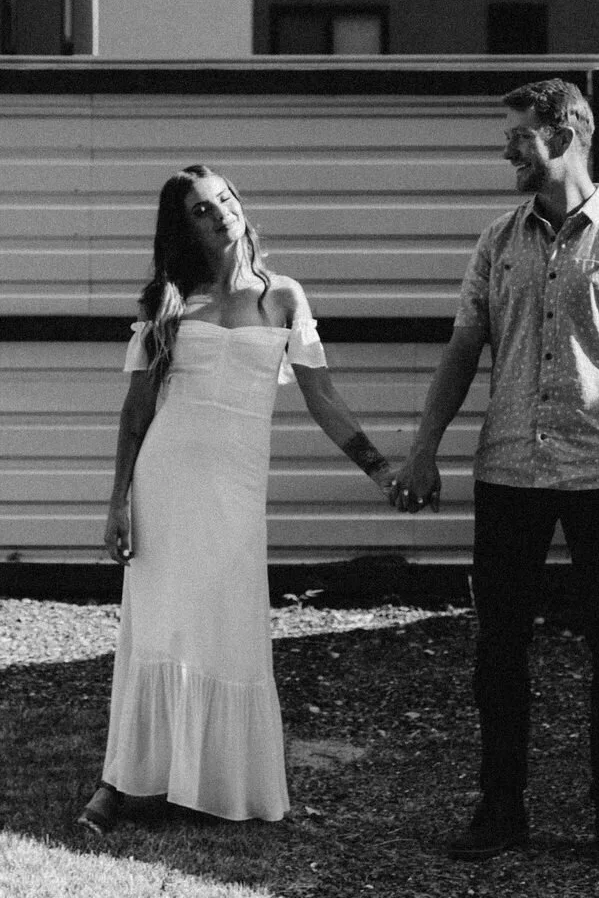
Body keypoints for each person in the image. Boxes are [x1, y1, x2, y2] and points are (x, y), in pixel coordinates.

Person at [392, 77, 599, 871]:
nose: (507, 150)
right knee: (498, 649)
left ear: (568, 133)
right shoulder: (497, 242)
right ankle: (502, 807)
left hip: (598, 475)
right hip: (508, 470)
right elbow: (461, 351)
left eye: (519, 137)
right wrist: (423, 449)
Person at [79, 164, 396, 834]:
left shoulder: (282, 297)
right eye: (200, 208)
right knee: (157, 627)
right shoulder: (167, 300)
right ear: (182, 227)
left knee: (225, 628)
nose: (219, 212)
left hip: (234, 490)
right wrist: (116, 504)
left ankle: (213, 784)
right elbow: (135, 412)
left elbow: (323, 397)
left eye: (224, 198)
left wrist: (379, 469)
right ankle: (121, 782)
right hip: (164, 482)